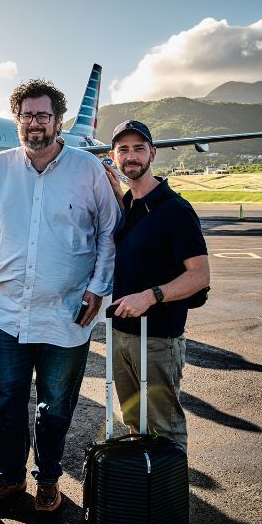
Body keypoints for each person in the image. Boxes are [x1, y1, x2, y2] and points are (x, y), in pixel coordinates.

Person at [0, 79, 118, 511]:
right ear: (18, 120)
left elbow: (109, 233)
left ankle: (48, 479)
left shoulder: (87, 170)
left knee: (56, 407)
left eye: (43, 115)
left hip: (68, 313)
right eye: (27, 116)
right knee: (5, 401)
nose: (35, 123)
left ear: (58, 121)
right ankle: (9, 477)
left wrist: (98, 288)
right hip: (8, 311)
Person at [102, 119, 210, 453]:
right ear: (113, 157)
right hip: (120, 335)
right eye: (123, 150)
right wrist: (119, 198)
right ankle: (144, 484)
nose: (131, 156)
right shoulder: (128, 207)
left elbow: (199, 276)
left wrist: (150, 297)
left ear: (152, 154)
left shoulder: (175, 209)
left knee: (164, 428)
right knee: (135, 423)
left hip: (157, 339)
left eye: (138, 149)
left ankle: (169, 488)